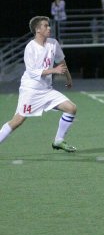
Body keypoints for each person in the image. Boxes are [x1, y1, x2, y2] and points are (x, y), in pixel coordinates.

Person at [0, 16, 77, 153]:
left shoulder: (53, 43)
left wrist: (68, 78)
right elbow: (32, 71)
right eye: (46, 26)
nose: (49, 28)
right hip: (31, 90)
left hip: (46, 90)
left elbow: (61, 62)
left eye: (49, 25)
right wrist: (54, 70)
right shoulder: (30, 48)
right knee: (18, 120)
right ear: (37, 30)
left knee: (71, 108)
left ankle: (58, 141)